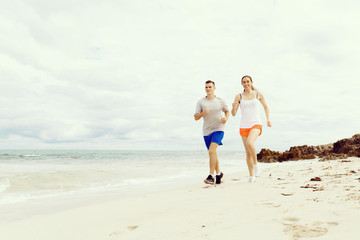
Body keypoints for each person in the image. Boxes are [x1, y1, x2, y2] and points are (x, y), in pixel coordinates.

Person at [231, 75, 271, 183]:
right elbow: (233, 114)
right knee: (247, 153)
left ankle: (256, 165)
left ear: (252, 82)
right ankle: (251, 176)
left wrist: (268, 119)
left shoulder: (258, 94)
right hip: (244, 126)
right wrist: (234, 107)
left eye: (248, 81)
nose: (246, 83)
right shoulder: (238, 96)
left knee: (250, 143)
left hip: (256, 124)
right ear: (241, 84)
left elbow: (266, 106)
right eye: (244, 82)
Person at [194, 80, 230, 184]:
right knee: (213, 153)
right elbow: (196, 117)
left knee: (211, 151)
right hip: (206, 131)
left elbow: (227, 111)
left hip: (219, 129)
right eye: (206, 87)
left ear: (214, 88)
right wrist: (203, 113)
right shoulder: (201, 102)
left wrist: (226, 118)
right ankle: (218, 174)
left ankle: (211, 176)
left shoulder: (220, 101)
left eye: (210, 87)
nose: (208, 89)